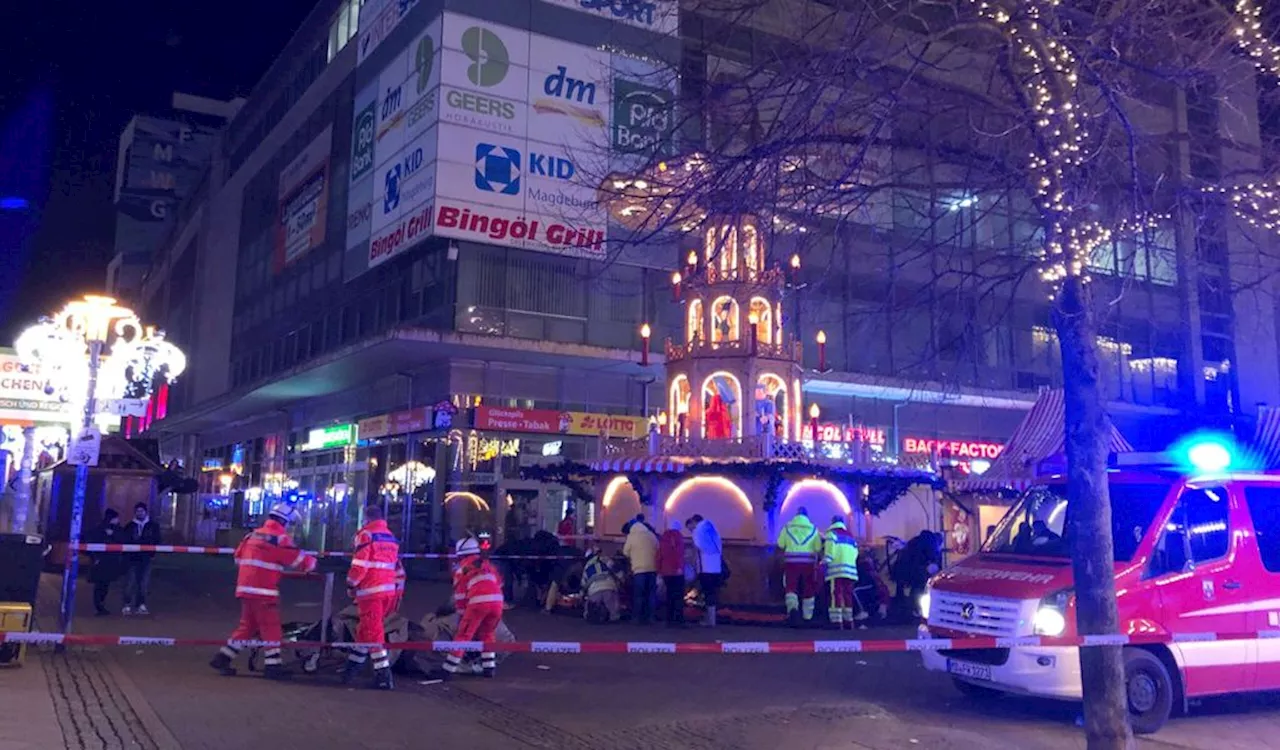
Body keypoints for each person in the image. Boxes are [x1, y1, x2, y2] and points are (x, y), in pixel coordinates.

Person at [209, 503, 317, 679]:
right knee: (271, 627)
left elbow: (238, 557)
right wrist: (313, 562)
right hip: (264, 591)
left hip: (245, 588)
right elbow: (300, 562)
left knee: (248, 626)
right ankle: (273, 666)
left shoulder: (252, 535)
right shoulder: (280, 538)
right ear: (285, 521)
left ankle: (223, 657)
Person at [342, 504, 405, 690]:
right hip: (387, 591)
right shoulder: (390, 537)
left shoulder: (366, 535)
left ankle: (383, 674)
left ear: (367, 518)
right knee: (366, 630)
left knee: (373, 633)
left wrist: (351, 583)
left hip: (371, 591)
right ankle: (352, 667)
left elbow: (360, 564)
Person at [443, 536, 504, 679]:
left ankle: (448, 670)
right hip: (497, 603)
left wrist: (462, 615)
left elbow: (460, 596)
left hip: (477, 604)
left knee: (463, 635)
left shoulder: (462, 569)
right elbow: (499, 584)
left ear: (460, 554)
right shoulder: (489, 566)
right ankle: (489, 668)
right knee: (488, 634)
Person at [776, 507, 821, 626]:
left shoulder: (787, 527)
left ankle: (792, 611)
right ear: (807, 516)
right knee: (808, 587)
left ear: (796, 515)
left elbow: (780, 544)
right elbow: (817, 548)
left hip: (791, 562)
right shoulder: (813, 529)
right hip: (809, 563)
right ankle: (808, 616)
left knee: (791, 586)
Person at [122, 502, 161, 615]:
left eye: (141, 511)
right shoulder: (130, 526)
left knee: (143, 583)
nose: (140, 513)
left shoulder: (153, 526)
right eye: (137, 511)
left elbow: (156, 540)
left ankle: (141, 605)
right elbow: (126, 540)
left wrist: (151, 552)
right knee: (130, 581)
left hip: (146, 558)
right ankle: (127, 604)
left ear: (145, 512)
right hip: (132, 558)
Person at [823, 515, 860, 629]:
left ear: (832, 522)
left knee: (836, 594)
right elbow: (856, 553)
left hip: (836, 571)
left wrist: (823, 562)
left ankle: (837, 621)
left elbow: (829, 553)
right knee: (848, 594)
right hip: (850, 571)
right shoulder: (851, 536)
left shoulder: (831, 534)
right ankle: (849, 620)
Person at [686, 514, 723, 627]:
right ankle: (712, 619)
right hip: (716, 567)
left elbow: (697, 548)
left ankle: (710, 621)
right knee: (712, 593)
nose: (690, 530)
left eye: (690, 528)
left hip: (705, 567)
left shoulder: (698, 531)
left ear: (693, 522)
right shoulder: (713, 529)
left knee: (707, 594)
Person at [622, 514, 659, 624]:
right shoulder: (651, 535)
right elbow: (657, 547)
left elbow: (625, 552)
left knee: (638, 594)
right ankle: (651, 617)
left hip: (639, 570)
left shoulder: (632, 536)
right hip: (652, 568)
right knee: (651, 594)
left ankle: (637, 618)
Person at [88, 509, 123, 616]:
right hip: (101, 561)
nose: (118, 520)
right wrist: (95, 557)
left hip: (109, 561)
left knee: (104, 585)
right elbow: (92, 542)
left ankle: (100, 605)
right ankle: (99, 606)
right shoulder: (100, 530)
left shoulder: (117, 530)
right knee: (100, 585)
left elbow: (123, 540)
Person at [657, 518, 686, 626]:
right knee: (678, 596)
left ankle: (669, 620)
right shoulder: (677, 536)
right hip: (676, 571)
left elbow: (659, 555)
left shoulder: (663, 538)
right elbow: (678, 553)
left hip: (666, 571)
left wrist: (659, 570)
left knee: (669, 595)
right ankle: (679, 619)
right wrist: (679, 567)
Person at [582, 547, 621, 622]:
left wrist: (582, 594)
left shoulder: (587, 566)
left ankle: (590, 615)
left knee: (589, 609)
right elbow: (619, 573)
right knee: (614, 612)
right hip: (609, 587)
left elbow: (584, 584)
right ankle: (613, 616)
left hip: (594, 590)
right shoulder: (607, 561)